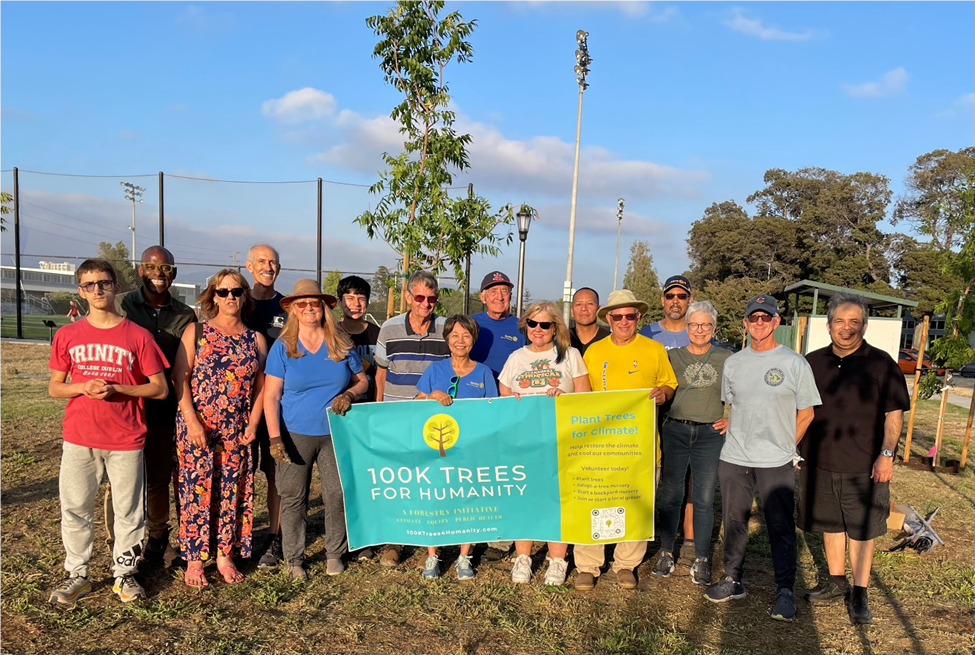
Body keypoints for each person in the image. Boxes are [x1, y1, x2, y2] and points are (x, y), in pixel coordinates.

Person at [47, 259, 168, 605]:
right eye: (89, 284)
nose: (97, 290)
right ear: (80, 291)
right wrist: (83, 386)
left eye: (103, 282)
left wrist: (119, 388)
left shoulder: (137, 335)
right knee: (75, 508)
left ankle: (124, 574)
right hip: (80, 436)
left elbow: (158, 388)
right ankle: (78, 574)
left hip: (125, 437)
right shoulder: (68, 335)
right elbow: (56, 388)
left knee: (129, 511)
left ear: (116, 286)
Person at [704, 295, 821, 623]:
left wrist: (788, 448)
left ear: (776, 322)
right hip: (735, 456)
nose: (759, 323)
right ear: (745, 323)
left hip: (776, 459)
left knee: (780, 526)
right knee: (735, 520)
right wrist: (735, 423)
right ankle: (732, 578)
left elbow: (807, 413)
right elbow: (736, 406)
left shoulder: (794, 363)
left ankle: (784, 589)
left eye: (765, 318)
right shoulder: (734, 363)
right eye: (753, 318)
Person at [800, 293, 910, 624]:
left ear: (864, 324)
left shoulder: (881, 363)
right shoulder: (812, 361)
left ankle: (859, 592)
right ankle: (836, 582)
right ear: (829, 324)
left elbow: (894, 414)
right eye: (839, 321)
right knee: (831, 525)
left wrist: (886, 455)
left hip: (865, 464)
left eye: (854, 322)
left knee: (861, 530)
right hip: (819, 460)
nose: (846, 328)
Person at [264, 279, 369, 580]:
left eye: (315, 303)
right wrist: (274, 437)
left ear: (324, 307)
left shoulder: (340, 342)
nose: (309, 308)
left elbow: (362, 380)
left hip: (335, 432)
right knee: (294, 496)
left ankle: (335, 552)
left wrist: (349, 394)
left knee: (336, 494)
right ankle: (293, 557)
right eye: (302, 303)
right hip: (295, 432)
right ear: (294, 309)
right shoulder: (283, 347)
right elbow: (270, 395)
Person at [576, 289, 678, 591]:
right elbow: (582, 393)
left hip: (640, 445)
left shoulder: (654, 349)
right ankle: (588, 563)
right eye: (617, 316)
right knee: (592, 499)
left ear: (638, 317)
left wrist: (664, 394)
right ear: (608, 318)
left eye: (630, 315)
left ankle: (626, 564)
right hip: (599, 444)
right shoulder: (594, 352)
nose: (623, 321)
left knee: (635, 503)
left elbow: (669, 383)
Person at [171, 269, 267, 587]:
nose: (230, 297)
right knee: (197, 490)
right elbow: (179, 379)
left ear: (245, 296)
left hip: (236, 429)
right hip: (199, 427)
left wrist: (253, 424)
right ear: (213, 295)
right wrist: (192, 422)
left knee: (231, 491)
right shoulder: (196, 332)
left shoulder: (256, 339)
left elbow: (261, 387)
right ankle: (196, 559)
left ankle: (225, 555)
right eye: (223, 291)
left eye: (237, 292)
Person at [499, 301, 590, 586]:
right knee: (523, 495)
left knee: (557, 498)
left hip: (560, 439)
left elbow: (585, 397)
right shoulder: (515, 357)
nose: (538, 329)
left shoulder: (570, 355)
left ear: (555, 328)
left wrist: (565, 398)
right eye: (533, 324)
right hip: (524, 440)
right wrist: (511, 403)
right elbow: (503, 401)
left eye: (545, 324)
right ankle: (523, 557)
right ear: (526, 326)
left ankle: (557, 560)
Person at [117, 246, 197, 562]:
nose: (159, 274)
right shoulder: (125, 306)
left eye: (165, 269)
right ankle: (135, 539)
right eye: (152, 267)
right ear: (141, 270)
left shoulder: (185, 314)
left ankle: (167, 535)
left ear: (173, 274)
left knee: (166, 475)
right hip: (130, 406)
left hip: (169, 407)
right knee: (131, 479)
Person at [374, 270, 450, 567]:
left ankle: (435, 540)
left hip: (434, 417)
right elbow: (380, 373)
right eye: (419, 297)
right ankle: (394, 541)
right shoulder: (389, 329)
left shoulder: (446, 329)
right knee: (401, 480)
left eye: (431, 298)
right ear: (408, 297)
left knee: (434, 480)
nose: (425, 303)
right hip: (396, 416)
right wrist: (379, 411)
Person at [653, 300, 731, 587]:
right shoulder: (672, 357)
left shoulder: (726, 358)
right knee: (671, 494)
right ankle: (666, 551)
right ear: (686, 327)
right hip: (675, 431)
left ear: (714, 328)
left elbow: (742, 393)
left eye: (705, 325)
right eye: (694, 325)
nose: (699, 330)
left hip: (709, 435)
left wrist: (731, 419)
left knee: (704, 497)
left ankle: (701, 557)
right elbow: (659, 386)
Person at [415, 314, 498, 580]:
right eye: (454, 336)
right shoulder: (434, 370)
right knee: (434, 499)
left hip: (471, 450)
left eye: (466, 336)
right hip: (437, 449)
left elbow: (492, 411)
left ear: (473, 340)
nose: (460, 341)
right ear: (447, 339)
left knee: (468, 499)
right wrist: (430, 396)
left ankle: (464, 556)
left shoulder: (484, 372)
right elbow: (415, 404)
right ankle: (432, 556)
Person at [469, 270, 524, 562]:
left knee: (503, 474)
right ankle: (472, 530)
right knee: (475, 472)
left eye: (504, 291)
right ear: (482, 296)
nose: (500, 296)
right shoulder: (472, 324)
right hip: (475, 408)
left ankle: (500, 538)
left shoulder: (522, 326)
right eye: (493, 291)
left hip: (508, 410)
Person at [243, 244, 287, 568]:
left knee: (276, 474)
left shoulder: (287, 310)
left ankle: (275, 538)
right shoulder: (234, 302)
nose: (268, 266)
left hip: (275, 405)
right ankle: (232, 539)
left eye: (273, 262)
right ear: (248, 265)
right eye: (261, 261)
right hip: (237, 408)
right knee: (238, 473)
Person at [337, 275, 381, 402]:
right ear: (339, 301)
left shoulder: (379, 334)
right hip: (338, 404)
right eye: (350, 298)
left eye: (361, 299)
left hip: (370, 406)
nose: (356, 304)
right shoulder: (331, 334)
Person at [639, 275, 693, 349]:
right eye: (670, 296)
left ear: (690, 300)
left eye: (682, 296)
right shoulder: (647, 333)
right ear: (663, 300)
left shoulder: (700, 335)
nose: (675, 301)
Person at [569, 287, 609, 356]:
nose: (584, 309)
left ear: (598, 309)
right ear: (572, 311)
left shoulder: (610, 339)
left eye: (590, 303)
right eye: (579, 304)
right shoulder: (561, 339)